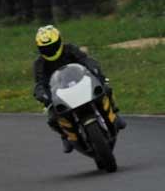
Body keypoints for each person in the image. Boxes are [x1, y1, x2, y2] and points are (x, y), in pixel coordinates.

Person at [33, 25, 126, 153]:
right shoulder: (40, 63)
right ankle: (66, 136)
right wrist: (43, 95)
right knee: (52, 118)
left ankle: (114, 114)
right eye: (45, 48)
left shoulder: (70, 49)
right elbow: (40, 83)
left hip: (81, 84)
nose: (49, 50)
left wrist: (95, 70)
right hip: (60, 94)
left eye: (52, 46)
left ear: (59, 41)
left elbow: (86, 60)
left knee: (105, 88)